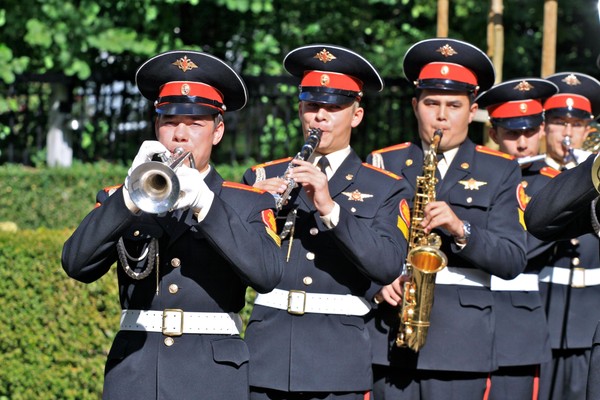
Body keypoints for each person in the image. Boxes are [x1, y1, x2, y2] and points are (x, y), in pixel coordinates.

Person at [61, 50, 284, 400]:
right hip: (135, 373)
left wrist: (206, 206)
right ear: (156, 127)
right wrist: (129, 196)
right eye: (169, 121)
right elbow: (76, 263)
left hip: (211, 379)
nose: (180, 134)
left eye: (195, 123)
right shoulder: (121, 198)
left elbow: (268, 275)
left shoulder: (248, 201)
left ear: (218, 131)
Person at [241, 44, 411, 400]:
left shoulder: (385, 187)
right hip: (266, 355)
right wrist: (249, 208)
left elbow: (386, 264)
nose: (320, 117)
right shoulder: (262, 176)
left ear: (357, 115)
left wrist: (331, 209)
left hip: (336, 360)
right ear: (300, 110)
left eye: (334, 107)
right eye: (312, 106)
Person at [365, 38, 527, 400]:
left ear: (472, 111)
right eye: (431, 103)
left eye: (454, 105)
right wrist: (374, 285)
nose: (441, 115)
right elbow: (358, 244)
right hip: (388, 336)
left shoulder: (501, 169)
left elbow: (513, 259)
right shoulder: (383, 163)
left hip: (461, 343)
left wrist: (461, 229)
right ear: (415, 106)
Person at [475, 77, 559, 399]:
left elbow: (529, 243)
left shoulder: (554, 185)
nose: (522, 143)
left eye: (529, 132)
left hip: (517, 321)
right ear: (494, 133)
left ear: (541, 130)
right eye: (512, 133)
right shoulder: (473, 178)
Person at [525, 72, 600, 400]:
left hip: (590, 308)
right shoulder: (528, 173)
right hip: (546, 305)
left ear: (588, 130)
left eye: (576, 124)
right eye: (559, 122)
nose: (567, 133)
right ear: (545, 127)